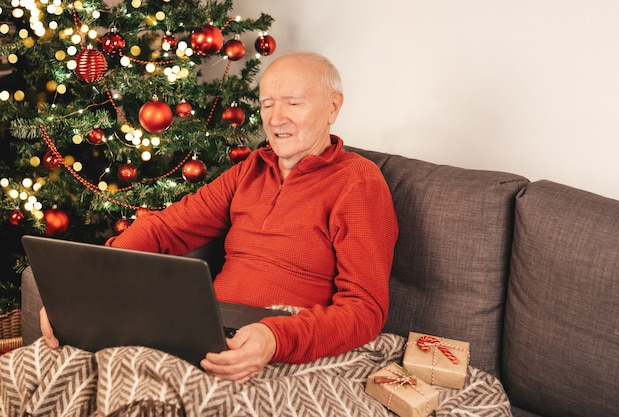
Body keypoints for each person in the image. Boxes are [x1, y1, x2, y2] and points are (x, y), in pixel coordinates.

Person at [38, 51, 399, 383]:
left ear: (333, 107)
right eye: (267, 104)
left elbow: (364, 310)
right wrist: (92, 282)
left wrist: (275, 337)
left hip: (287, 343)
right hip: (209, 331)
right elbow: (167, 228)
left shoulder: (358, 181)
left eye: (293, 102)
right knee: (48, 367)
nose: (276, 118)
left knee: (135, 386)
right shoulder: (251, 170)